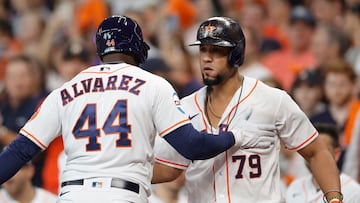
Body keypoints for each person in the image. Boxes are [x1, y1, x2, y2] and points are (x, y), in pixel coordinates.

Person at [0, 15, 276, 203]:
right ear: (136, 47)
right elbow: (193, 146)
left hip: (72, 195)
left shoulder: (66, 89)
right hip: (124, 194)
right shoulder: (153, 84)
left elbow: (19, 151)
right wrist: (237, 136)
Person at [152, 16, 343, 203]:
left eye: (216, 50)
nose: (207, 58)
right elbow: (169, 168)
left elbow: (316, 151)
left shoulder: (272, 100)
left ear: (236, 54)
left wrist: (334, 199)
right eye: (203, 50)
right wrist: (125, 170)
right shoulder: (185, 108)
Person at [286, 123, 360, 203]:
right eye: (309, 150)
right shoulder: (294, 187)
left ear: (336, 154)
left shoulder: (354, 191)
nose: (314, 155)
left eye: (321, 152)